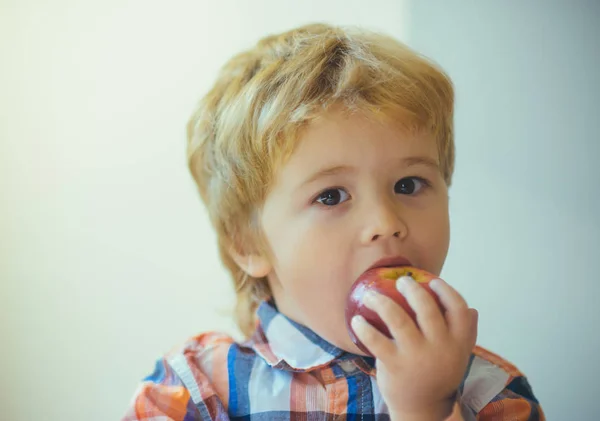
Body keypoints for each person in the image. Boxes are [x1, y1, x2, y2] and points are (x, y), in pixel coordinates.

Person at [121, 23, 544, 421]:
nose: (385, 222)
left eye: (408, 184)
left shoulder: (490, 393)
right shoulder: (195, 390)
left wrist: (427, 408)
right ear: (248, 244)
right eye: (330, 196)